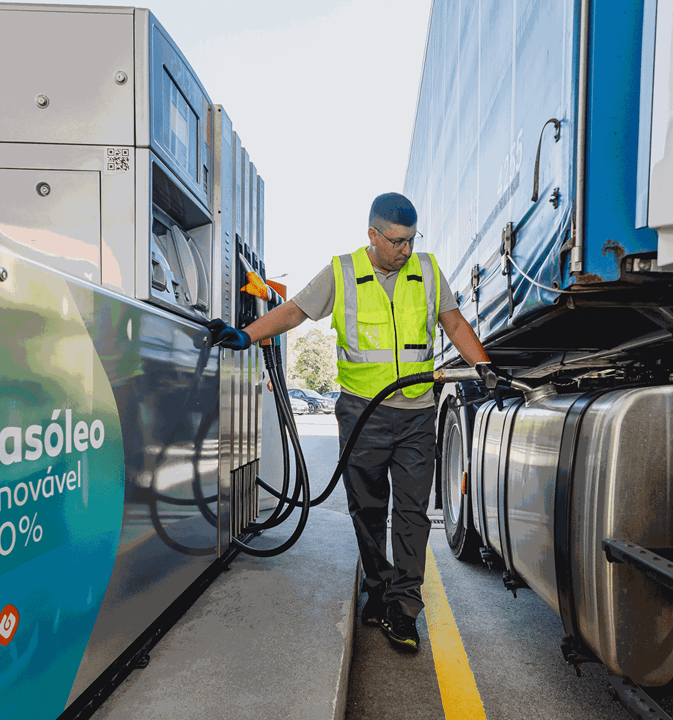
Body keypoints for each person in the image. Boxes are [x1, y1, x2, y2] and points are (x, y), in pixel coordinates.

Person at [207, 192, 497, 652]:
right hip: (362, 412)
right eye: (397, 241)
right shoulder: (342, 272)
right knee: (367, 507)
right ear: (373, 235)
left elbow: (455, 323)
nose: (405, 250)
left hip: (418, 413)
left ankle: (403, 607)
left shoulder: (426, 271)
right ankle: (378, 590)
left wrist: (484, 367)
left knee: (412, 513)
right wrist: (247, 334)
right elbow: (294, 310)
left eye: (411, 240)